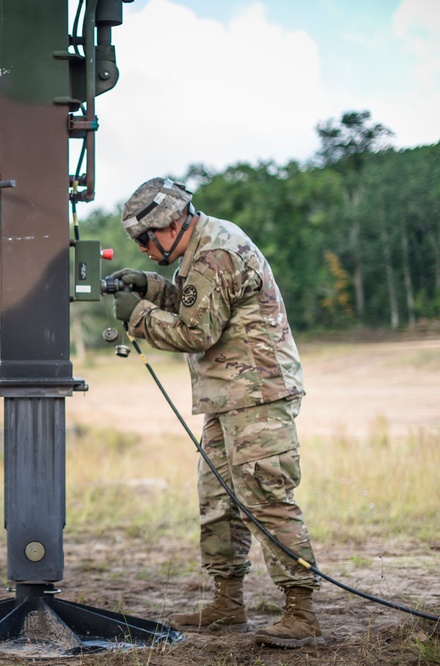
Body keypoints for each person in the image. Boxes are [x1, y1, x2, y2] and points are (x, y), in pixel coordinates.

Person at [108, 177, 324, 649]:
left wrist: (136, 316)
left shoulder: (215, 253)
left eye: (145, 239)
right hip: (228, 396)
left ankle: (301, 613)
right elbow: (198, 304)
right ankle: (228, 603)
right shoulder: (201, 247)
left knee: (265, 497)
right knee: (219, 502)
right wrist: (151, 288)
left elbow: (196, 332)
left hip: (258, 397)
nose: (142, 248)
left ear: (169, 225)